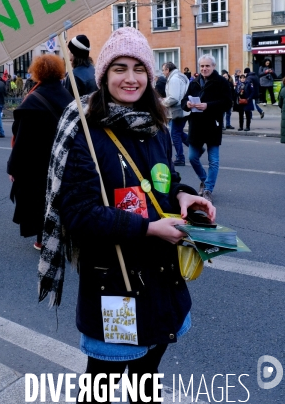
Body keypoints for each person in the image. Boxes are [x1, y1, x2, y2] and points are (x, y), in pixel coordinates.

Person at [38, 28, 215, 403]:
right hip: (114, 286)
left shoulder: (157, 126)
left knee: (147, 380)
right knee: (99, 387)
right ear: (103, 75)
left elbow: (164, 181)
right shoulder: (84, 128)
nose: (130, 78)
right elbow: (79, 214)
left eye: (139, 68)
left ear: (150, 77)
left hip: (162, 280)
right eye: (119, 68)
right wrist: (150, 228)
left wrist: (185, 197)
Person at [8, 55, 73, 250]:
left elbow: (22, 140)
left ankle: (42, 239)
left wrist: (14, 168)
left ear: (36, 72)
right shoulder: (67, 96)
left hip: (37, 162)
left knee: (40, 202)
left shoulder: (33, 101)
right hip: (63, 158)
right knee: (61, 198)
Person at [181, 55, 232, 203]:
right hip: (196, 125)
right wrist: (188, 105)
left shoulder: (221, 82)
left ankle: (208, 189)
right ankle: (205, 180)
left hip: (212, 125)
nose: (204, 69)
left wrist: (208, 105)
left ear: (213, 66)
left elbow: (228, 103)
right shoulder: (194, 82)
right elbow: (184, 101)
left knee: (213, 160)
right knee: (192, 157)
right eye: (202, 66)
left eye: (207, 66)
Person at [161, 62, 190, 166]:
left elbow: (173, 98)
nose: (163, 73)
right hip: (184, 108)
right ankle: (196, 148)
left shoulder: (173, 79)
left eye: (163, 70)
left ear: (168, 70)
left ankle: (180, 158)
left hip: (178, 110)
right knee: (178, 132)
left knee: (175, 134)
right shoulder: (181, 76)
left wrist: (162, 102)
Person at [278, 77, 285, 144]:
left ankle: (283, 139)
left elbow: (280, 103)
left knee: (284, 125)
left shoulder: (282, 90)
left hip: (284, 110)